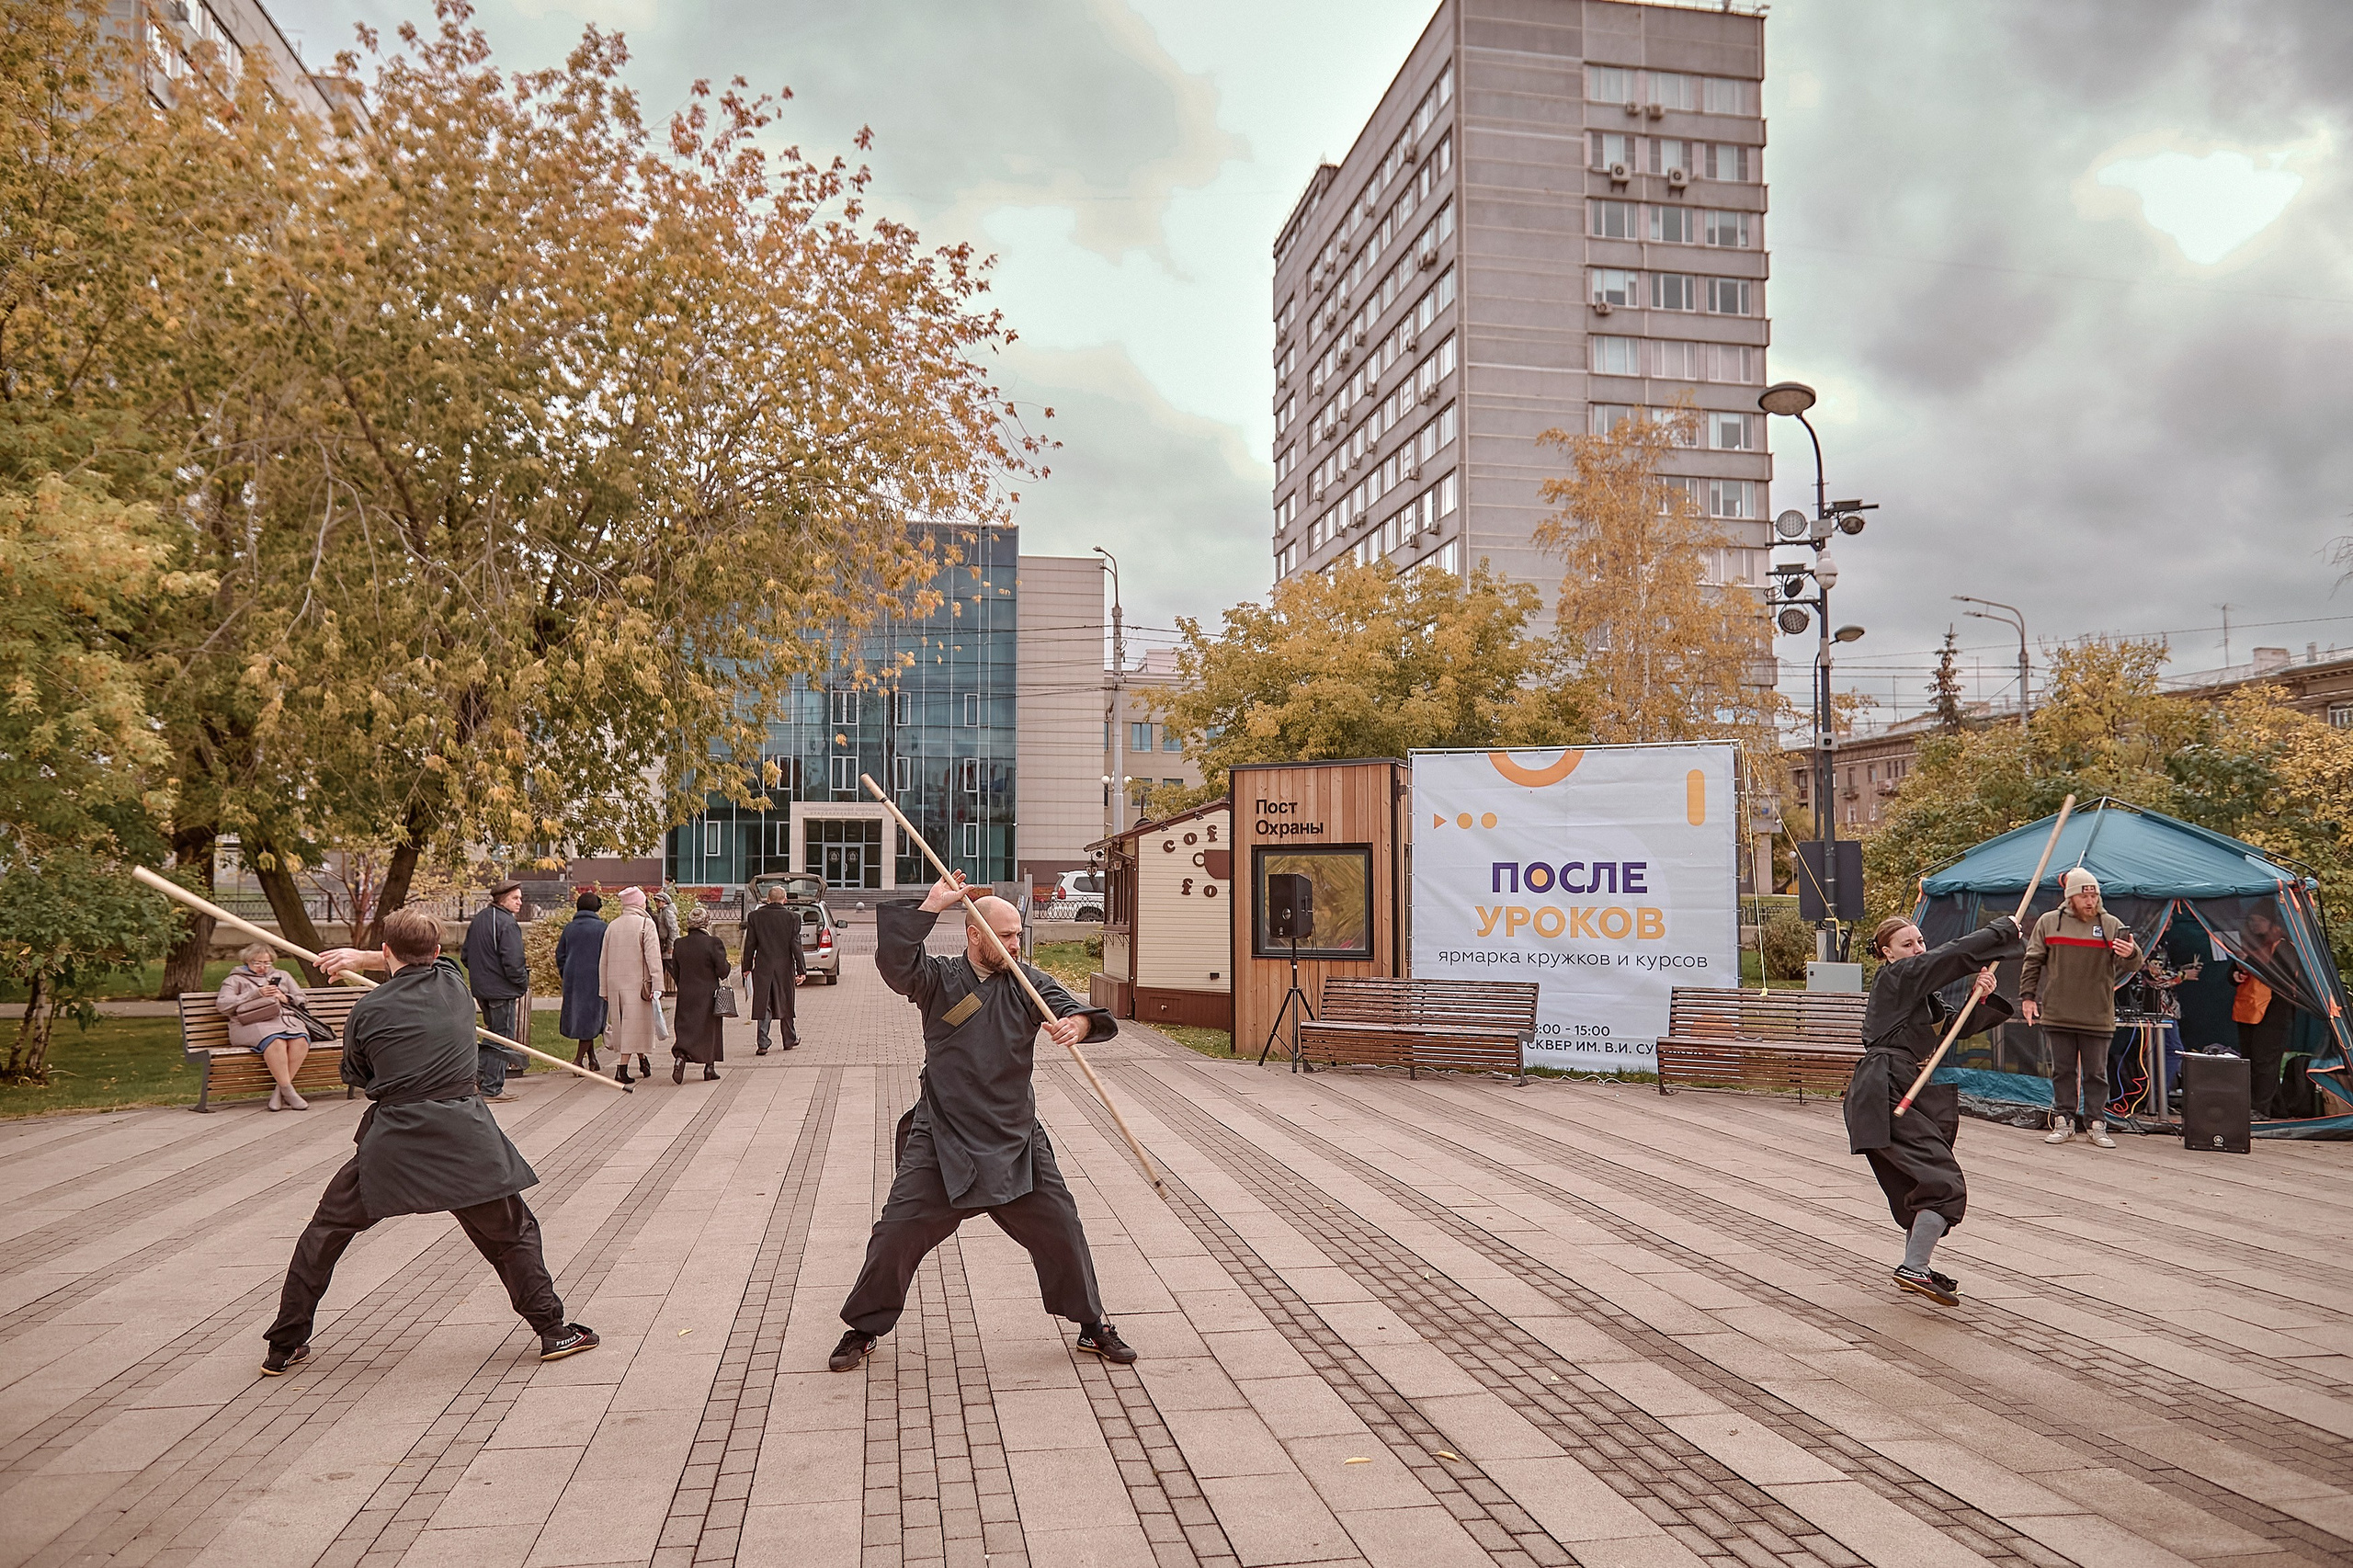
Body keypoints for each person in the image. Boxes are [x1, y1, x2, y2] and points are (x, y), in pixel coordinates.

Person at [264, 907, 597, 1376]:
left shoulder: (368, 1009)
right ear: (437, 952)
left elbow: (355, 1074)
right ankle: (553, 1330)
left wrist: (362, 962)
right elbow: (426, 962)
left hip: (395, 1142)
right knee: (512, 1235)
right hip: (464, 1138)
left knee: (324, 1234)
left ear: (386, 951)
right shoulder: (456, 988)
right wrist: (365, 959)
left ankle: (284, 1343)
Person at [831, 871, 1136, 1372]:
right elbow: (896, 965)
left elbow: (1077, 1011)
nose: (1016, 943)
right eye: (1007, 935)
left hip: (1014, 1136)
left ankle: (1092, 1323)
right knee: (895, 1234)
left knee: (1062, 1228)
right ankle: (863, 1327)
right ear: (976, 934)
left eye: (1019, 934)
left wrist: (1076, 1024)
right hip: (943, 1136)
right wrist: (930, 904)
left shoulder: (1027, 983)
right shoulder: (939, 979)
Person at [1846, 913, 2020, 1307]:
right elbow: (1948, 957)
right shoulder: (1896, 978)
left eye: (1920, 941)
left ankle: (1916, 1262)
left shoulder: (1919, 994)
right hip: (1885, 1089)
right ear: (1887, 954)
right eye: (1907, 945)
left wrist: (1982, 997)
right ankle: (1913, 1266)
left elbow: (1951, 1030)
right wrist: (2000, 933)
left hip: (1900, 1084)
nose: (1917, 949)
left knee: (1921, 1182)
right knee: (1943, 1181)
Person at [2020, 869, 2139, 1148]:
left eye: (2094, 894)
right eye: (2084, 895)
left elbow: (2132, 964)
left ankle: (2097, 1123)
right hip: (2058, 1012)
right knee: (2062, 1071)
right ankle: (2064, 1120)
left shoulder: (2110, 924)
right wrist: (2028, 996)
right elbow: (2033, 960)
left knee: (2096, 1073)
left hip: (2097, 1014)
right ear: (2070, 897)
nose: (2090, 900)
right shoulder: (2050, 922)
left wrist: (2131, 954)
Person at [216, 943, 313, 1111]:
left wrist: (284, 997)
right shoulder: (235, 979)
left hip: (286, 1021)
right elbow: (223, 1005)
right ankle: (289, 1092)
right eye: (257, 963)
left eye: (266, 963)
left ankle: (281, 1091)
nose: (262, 967)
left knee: (300, 1040)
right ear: (247, 961)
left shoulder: (282, 975)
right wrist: (256, 994)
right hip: (250, 1024)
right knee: (276, 1041)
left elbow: (301, 999)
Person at [462, 881, 530, 1100]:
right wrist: (521, 983)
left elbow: (465, 956)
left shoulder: (480, 919)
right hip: (502, 990)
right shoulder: (507, 923)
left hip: (482, 988)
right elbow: (514, 961)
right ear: (502, 900)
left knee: (492, 1035)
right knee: (502, 1038)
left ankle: (479, 1079)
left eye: (520, 898)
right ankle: (492, 1086)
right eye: (515, 898)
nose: (520, 902)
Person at [2232, 904, 2293, 1117]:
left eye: (2260, 920)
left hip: (2274, 1011)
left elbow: (2277, 974)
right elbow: (2234, 970)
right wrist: (2234, 975)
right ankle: (2278, 1110)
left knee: (2264, 1061)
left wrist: (2246, 960)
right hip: (2247, 1008)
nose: (2255, 925)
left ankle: (2259, 1110)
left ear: (2271, 923)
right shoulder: (2249, 943)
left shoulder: (2284, 945)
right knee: (2251, 1059)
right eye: (2252, 921)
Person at [598, 885, 664, 1085]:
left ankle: (643, 1061)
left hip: (615, 984)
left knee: (628, 1026)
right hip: (638, 984)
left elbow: (604, 960)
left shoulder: (613, 925)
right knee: (634, 1027)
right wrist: (658, 984)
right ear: (639, 902)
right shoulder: (646, 924)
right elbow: (653, 957)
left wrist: (604, 988)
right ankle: (622, 1068)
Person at [741, 884, 805, 1055]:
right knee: (786, 1000)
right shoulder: (793, 918)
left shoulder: (755, 917)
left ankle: (763, 1043)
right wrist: (801, 970)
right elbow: (795, 945)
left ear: (768, 899)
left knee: (764, 1002)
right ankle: (789, 1039)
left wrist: (746, 967)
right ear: (785, 900)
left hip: (763, 966)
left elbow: (750, 945)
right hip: (784, 966)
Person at [669, 904, 731, 1084]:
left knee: (685, 1026)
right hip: (708, 993)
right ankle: (709, 1067)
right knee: (709, 1029)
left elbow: (676, 971)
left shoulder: (679, 944)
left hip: (686, 993)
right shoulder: (713, 943)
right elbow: (723, 971)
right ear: (707, 923)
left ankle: (681, 1057)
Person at [555, 893, 609, 1072]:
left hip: (573, 978)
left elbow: (560, 954)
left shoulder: (570, 928)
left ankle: (592, 1059)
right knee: (591, 1019)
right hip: (596, 978)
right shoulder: (603, 928)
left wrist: (567, 973)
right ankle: (578, 1061)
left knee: (585, 1019)